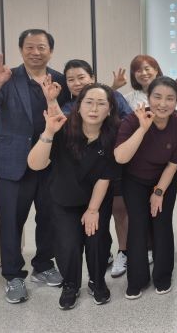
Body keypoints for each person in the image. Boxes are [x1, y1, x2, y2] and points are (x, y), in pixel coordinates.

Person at [0, 29, 69, 304]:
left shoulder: (60, 80)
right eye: (29, 47)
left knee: (49, 218)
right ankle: (13, 276)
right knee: (11, 222)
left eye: (41, 47)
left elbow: (71, 114)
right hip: (13, 163)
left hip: (50, 163)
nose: (35, 52)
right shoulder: (6, 77)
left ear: (51, 51)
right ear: (20, 50)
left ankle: (43, 265)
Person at [27, 83, 120, 310]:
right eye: (89, 102)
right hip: (63, 198)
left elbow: (105, 177)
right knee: (67, 243)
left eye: (101, 103)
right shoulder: (62, 128)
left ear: (109, 109)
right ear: (78, 106)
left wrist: (93, 210)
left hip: (96, 199)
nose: (94, 109)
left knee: (97, 240)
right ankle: (71, 285)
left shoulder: (113, 135)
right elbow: (35, 164)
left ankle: (97, 282)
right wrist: (48, 133)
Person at [114, 77, 177, 299]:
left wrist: (159, 192)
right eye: (157, 97)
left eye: (169, 98)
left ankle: (163, 275)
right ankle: (136, 279)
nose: (163, 104)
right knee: (137, 225)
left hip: (163, 180)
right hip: (134, 180)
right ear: (148, 98)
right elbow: (120, 157)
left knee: (162, 224)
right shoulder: (133, 120)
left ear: (176, 101)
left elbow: (173, 164)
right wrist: (142, 128)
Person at [60, 59, 133, 279]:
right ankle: (103, 254)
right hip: (83, 173)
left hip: (113, 160)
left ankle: (123, 251)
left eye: (81, 77)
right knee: (95, 221)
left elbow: (129, 121)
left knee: (119, 210)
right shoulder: (68, 106)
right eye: (71, 79)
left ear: (92, 77)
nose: (76, 83)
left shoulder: (114, 97)